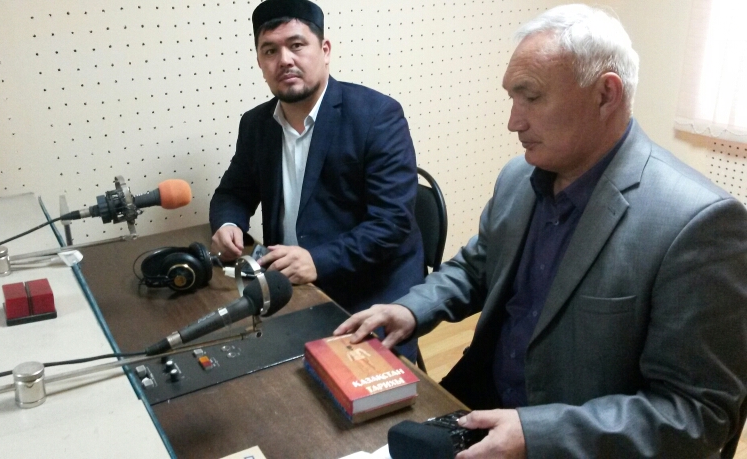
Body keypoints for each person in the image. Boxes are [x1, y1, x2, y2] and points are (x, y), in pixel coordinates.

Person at [335, 4, 747, 458]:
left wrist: (539, 434)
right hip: (476, 406)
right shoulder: (519, 178)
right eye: (512, 98)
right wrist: (410, 309)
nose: (514, 121)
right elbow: (476, 268)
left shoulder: (699, 224)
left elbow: (697, 414)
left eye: (530, 97)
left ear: (605, 94)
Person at [209, 0, 424, 360]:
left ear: (324, 51)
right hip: (289, 284)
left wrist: (317, 260)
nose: (284, 60)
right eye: (270, 50)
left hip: (369, 290)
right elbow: (233, 192)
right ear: (260, 62)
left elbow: (392, 223)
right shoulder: (256, 124)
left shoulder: (378, 116)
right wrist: (229, 222)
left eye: (296, 45)